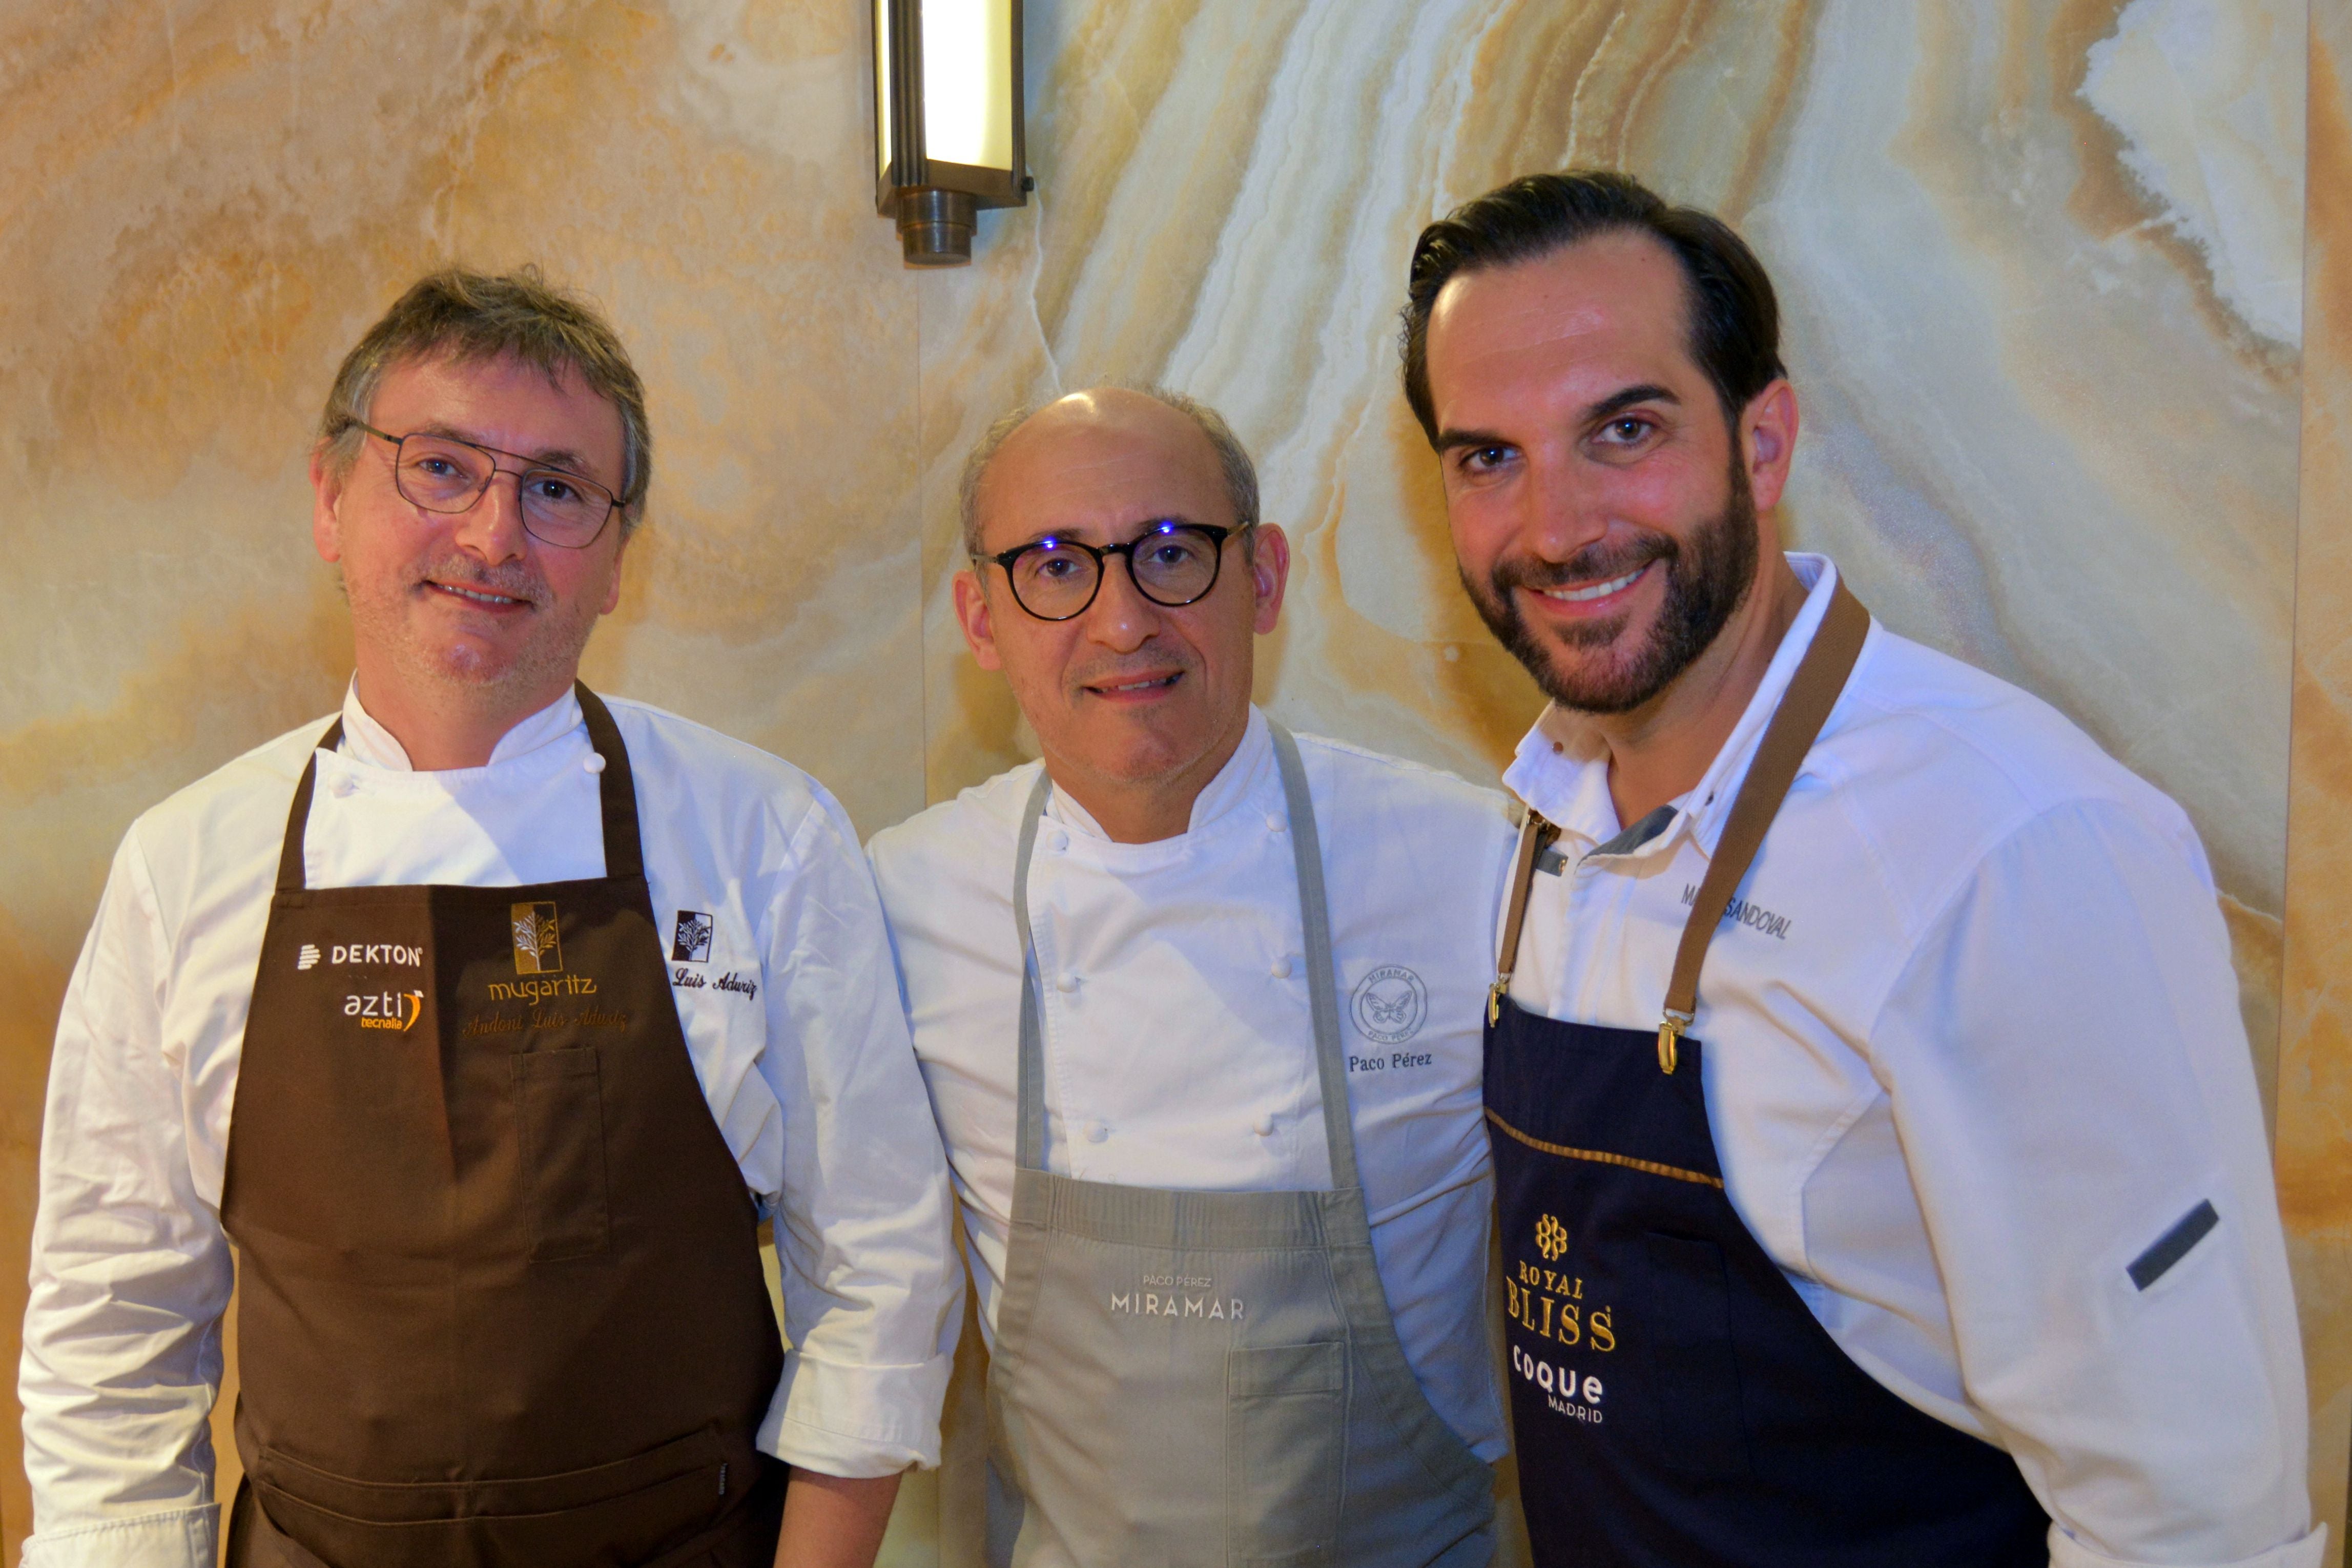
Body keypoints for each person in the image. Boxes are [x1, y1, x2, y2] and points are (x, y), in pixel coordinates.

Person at [1402, 169, 2322, 1567]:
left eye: (1623, 429)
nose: (1552, 526)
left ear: (1760, 443)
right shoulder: (1542, 820)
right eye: (1487, 458)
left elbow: (2191, 1522)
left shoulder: (2007, 847)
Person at [20, 269, 963, 1568]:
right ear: (331, 503)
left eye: (558, 489)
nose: (493, 534)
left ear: (618, 558)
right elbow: (112, 1327)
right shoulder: (186, 866)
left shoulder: (765, 838)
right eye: (443, 469)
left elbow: (882, 1271)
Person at [867, 387, 1511, 1567]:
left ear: (1262, 579)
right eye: (1055, 566)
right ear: (980, 618)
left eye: (1172, 553)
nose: (1122, 623)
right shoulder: (904, 902)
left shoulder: (1473, 868)